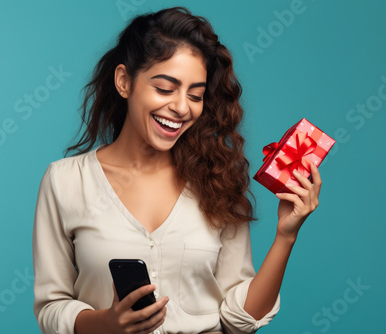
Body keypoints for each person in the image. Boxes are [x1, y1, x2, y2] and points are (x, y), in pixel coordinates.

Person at [32, 7, 321, 334]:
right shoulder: (65, 181)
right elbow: (52, 306)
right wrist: (107, 323)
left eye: (195, 95)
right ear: (124, 82)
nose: (182, 107)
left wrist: (286, 234)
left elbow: (239, 321)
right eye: (165, 88)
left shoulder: (218, 182)